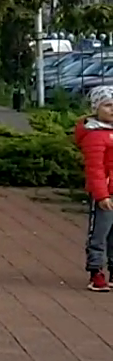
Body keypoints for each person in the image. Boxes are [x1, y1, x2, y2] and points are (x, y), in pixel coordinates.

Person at [77, 86, 113, 292]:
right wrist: (101, 194)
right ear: (96, 108)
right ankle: (96, 270)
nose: (112, 110)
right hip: (104, 194)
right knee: (99, 233)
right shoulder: (95, 135)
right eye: (108, 105)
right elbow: (95, 168)